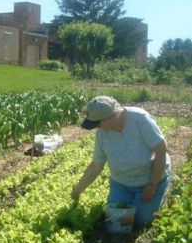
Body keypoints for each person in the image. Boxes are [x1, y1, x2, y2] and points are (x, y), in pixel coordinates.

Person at [71, 95, 171, 227]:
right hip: (121, 183)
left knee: (141, 221)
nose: (97, 128)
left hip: (148, 180)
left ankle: (160, 192)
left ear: (109, 117)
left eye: (97, 123)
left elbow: (161, 151)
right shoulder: (102, 133)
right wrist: (77, 191)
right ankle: (132, 198)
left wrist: (152, 184)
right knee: (114, 217)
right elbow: (96, 166)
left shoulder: (140, 119)